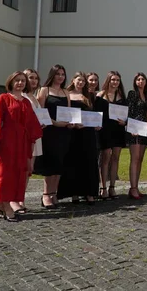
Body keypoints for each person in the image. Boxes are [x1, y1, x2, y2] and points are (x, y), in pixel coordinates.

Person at [0, 71, 42, 222]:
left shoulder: (25, 102)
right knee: (4, 174)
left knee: (17, 173)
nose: (20, 83)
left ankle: (0, 206)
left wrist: (32, 141)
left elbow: (31, 124)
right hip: (6, 141)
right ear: (11, 82)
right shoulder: (3, 99)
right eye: (17, 80)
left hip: (22, 142)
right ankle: (8, 207)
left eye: (23, 81)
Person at [58, 72, 100, 205]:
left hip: (87, 134)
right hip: (73, 133)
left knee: (89, 161)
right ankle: (74, 193)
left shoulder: (89, 96)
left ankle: (90, 193)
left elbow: (93, 114)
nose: (81, 82)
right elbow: (65, 114)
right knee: (73, 162)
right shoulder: (66, 94)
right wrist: (73, 124)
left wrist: (96, 124)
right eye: (79, 80)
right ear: (73, 80)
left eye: (83, 81)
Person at [35, 64, 73, 209]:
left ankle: (54, 192)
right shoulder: (44, 91)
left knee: (59, 163)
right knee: (50, 164)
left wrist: (70, 123)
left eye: (63, 74)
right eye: (58, 74)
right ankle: (46, 195)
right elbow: (41, 112)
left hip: (64, 132)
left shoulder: (65, 92)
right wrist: (55, 123)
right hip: (50, 132)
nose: (60, 77)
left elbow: (69, 112)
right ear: (52, 75)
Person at [96, 71, 127, 199]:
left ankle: (112, 187)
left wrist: (125, 122)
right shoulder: (100, 95)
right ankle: (103, 187)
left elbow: (126, 115)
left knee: (115, 158)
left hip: (118, 130)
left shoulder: (122, 96)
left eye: (118, 80)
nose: (115, 82)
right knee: (105, 159)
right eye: (113, 79)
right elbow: (97, 113)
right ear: (108, 80)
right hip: (105, 130)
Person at [127, 72, 147, 199]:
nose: (140, 81)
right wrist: (130, 128)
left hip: (143, 130)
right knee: (134, 159)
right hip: (134, 129)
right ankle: (133, 188)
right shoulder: (132, 94)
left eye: (142, 79)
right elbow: (129, 112)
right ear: (135, 82)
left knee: (140, 159)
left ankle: (135, 186)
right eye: (138, 79)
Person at [22, 68, 43, 212]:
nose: (33, 80)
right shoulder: (22, 96)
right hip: (25, 138)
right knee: (22, 169)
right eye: (30, 77)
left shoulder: (34, 96)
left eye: (35, 78)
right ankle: (15, 199)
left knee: (29, 170)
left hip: (36, 137)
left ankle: (20, 199)